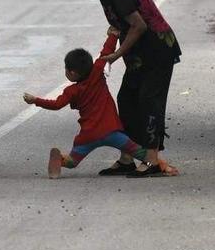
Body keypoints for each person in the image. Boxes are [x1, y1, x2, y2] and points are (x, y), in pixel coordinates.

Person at [66, 0, 181, 177]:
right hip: (140, 57)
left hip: (157, 53)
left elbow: (139, 26)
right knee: (126, 100)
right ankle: (127, 158)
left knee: (149, 101)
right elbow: (120, 26)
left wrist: (117, 53)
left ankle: (152, 161)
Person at [22, 29, 178, 178]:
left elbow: (56, 104)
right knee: (144, 154)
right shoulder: (97, 72)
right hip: (112, 133)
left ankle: (61, 159)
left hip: (88, 135)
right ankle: (163, 166)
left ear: (72, 73)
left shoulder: (71, 91)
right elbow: (106, 52)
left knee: (73, 162)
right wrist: (114, 35)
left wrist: (35, 100)